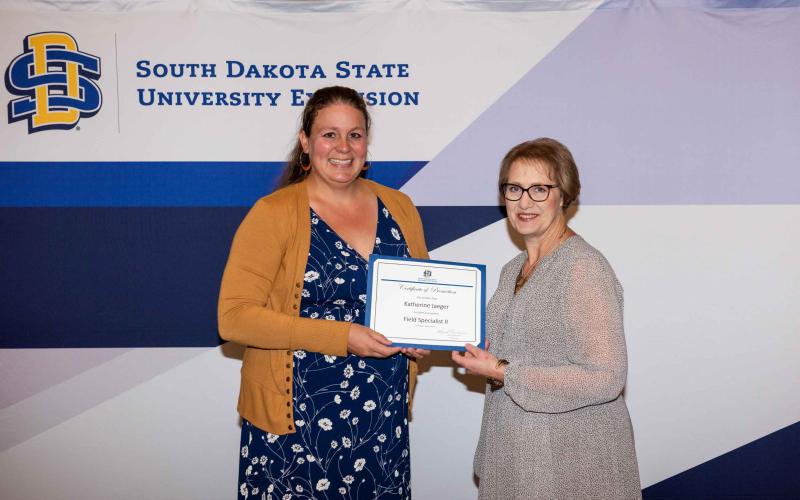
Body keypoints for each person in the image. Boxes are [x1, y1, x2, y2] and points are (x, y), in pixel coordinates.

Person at [218, 86, 429, 500]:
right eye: (329, 134)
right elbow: (234, 317)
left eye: (355, 134)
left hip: (380, 418)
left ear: (367, 144)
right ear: (305, 142)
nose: (343, 147)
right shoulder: (274, 213)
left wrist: (424, 333)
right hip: (296, 423)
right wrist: (342, 337)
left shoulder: (400, 207)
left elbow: (419, 291)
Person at [452, 138, 641, 499]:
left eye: (540, 189)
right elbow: (493, 347)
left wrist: (503, 372)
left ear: (564, 195)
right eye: (514, 188)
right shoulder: (512, 270)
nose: (524, 202)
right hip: (518, 459)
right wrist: (422, 335)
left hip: (571, 469)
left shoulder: (584, 267)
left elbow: (606, 377)